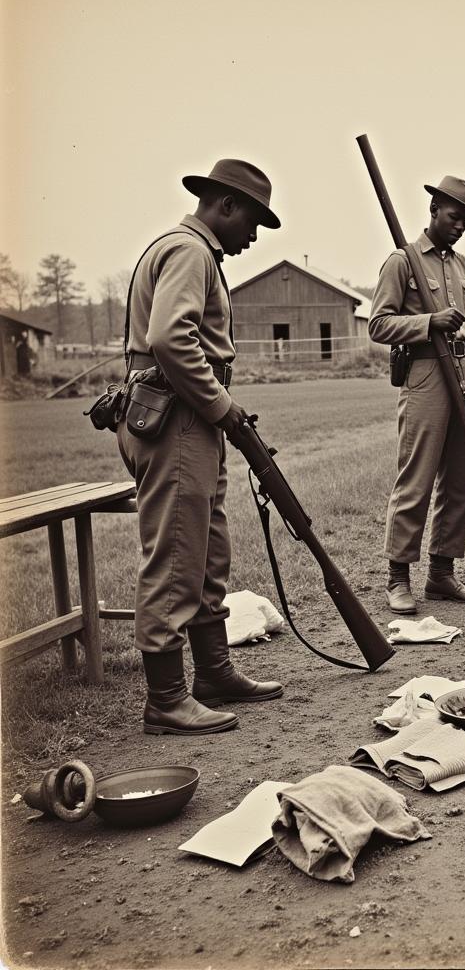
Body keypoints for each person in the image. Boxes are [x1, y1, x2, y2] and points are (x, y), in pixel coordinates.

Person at [118, 159, 284, 736]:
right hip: (179, 419)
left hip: (189, 420)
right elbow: (169, 338)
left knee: (207, 551)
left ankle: (212, 672)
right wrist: (220, 406)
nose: (254, 237)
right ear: (226, 206)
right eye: (254, 222)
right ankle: (166, 699)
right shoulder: (190, 251)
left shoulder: (188, 250)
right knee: (174, 559)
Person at [368, 175, 465, 615]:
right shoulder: (401, 262)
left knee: (461, 480)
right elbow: (378, 325)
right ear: (435, 208)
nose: (460, 226)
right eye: (455, 216)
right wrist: (428, 322)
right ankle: (398, 578)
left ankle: (441, 573)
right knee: (416, 479)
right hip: (424, 377)